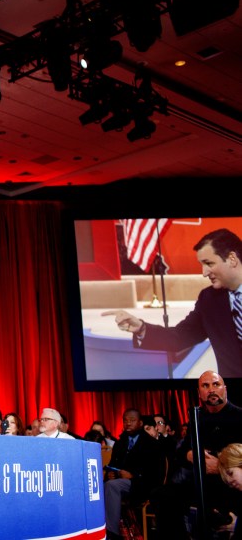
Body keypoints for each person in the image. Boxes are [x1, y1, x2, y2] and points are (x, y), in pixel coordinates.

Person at [103, 228, 242, 378]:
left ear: (232, 259)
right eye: (202, 265)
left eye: (209, 263)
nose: (204, 273)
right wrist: (141, 328)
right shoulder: (209, 299)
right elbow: (179, 337)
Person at [149, 370, 242, 538]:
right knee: (162, 495)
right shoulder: (197, 418)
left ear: (225, 389)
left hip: (230, 482)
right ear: (199, 393)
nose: (211, 390)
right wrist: (192, 455)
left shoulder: (239, 416)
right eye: (205, 386)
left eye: (216, 384)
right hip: (201, 482)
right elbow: (180, 452)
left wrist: (221, 465)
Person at [103, 408, 165, 540]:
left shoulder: (152, 444)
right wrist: (110, 474)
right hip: (120, 483)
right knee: (101, 486)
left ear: (140, 423)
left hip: (142, 485)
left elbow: (156, 474)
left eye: (132, 420)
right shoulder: (120, 443)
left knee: (111, 486)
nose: (128, 423)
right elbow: (113, 465)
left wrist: (134, 476)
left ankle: (112, 535)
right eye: (125, 420)